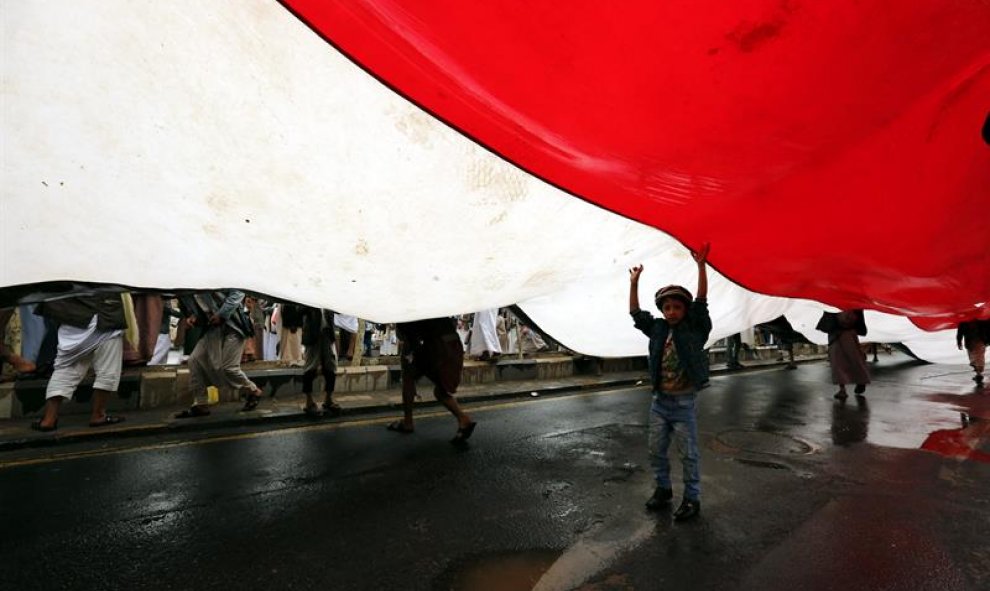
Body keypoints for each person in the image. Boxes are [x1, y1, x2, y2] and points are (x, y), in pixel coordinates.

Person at [629, 242, 711, 522]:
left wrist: (701, 266)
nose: (672, 312)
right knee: (656, 451)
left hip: (683, 404)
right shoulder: (658, 329)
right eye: (667, 307)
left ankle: (692, 499)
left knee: (688, 455)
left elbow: (701, 302)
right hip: (659, 403)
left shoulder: (695, 329)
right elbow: (637, 316)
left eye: (677, 307)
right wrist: (634, 283)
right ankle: (663, 490)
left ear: (685, 310)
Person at [30, 294, 128, 431]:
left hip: (74, 318)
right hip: (105, 315)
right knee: (108, 368)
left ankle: (49, 419)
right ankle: (98, 415)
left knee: (65, 368)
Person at [387, 317, 476, 445]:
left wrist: (411, 353)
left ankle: (408, 421)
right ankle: (463, 419)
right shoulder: (436, 304)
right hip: (453, 344)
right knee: (441, 390)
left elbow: (408, 336)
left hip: (436, 345)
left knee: (409, 376)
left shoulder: (408, 310)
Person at [174, 290, 263, 418]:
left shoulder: (214, 273)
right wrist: (193, 318)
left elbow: (238, 293)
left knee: (229, 368)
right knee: (194, 360)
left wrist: (222, 314)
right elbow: (196, 312)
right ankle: (201, 403)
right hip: (212, 329)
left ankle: (253, 390)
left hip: (233, 327)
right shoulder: (184, 292)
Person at [818, 309, 870, 401]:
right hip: (850, 335)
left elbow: (838, 319)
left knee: (838, 364)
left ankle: (842, 389)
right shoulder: (854, 303)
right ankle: (861, 380)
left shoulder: (833, 303)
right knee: (856, 360)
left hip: (837, 336)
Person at [300, 307, 342, 417]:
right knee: (310, 367)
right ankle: (309, 401)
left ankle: (328, 399)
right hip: (312, 335)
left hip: (327, 334)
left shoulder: (328, 296)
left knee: (331, 367)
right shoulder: (307, 295)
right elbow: (300, 310)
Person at [956, 320, 988, 389]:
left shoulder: (980, 321)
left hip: (977, 342)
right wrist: (959, 342)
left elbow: (960, 333)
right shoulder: (965, 323)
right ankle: (978, 374)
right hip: (973, 343)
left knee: (977, 358)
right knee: (976, 358)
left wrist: (959, 342)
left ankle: (979, 374)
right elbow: (960, 333)